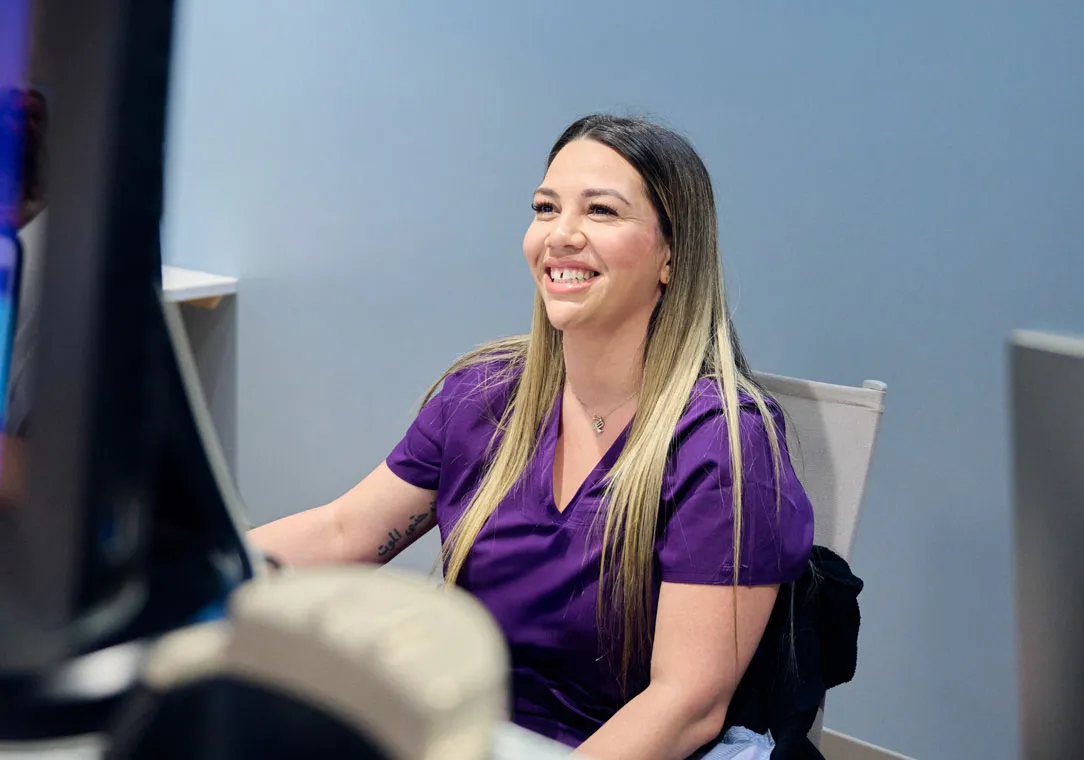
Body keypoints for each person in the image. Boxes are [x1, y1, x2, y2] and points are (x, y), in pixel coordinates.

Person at [249, 114, 815, 760]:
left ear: (670, 256)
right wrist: (200, 571)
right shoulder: (482, 397)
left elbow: (685, 705)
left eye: (601, 211)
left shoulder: (724, 446)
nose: (561, 235)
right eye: (545, 207)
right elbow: (344, 532)